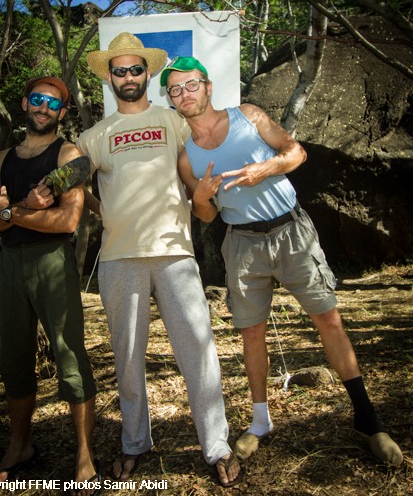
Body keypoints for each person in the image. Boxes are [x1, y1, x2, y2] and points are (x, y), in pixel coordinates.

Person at [162, 56, 403, 466]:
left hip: (291, 231)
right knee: (251, 334)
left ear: (208, 87)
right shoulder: (186, 157)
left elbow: (296, 153)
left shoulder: (249, 116)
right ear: (170, 99)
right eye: (175, 90)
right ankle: (260, 422)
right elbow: (207, 215)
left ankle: (368, 418)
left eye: (192, 85)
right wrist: (199, 199)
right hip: (242, 244)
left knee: (329, 320)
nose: (185, 94)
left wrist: (267, 168)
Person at [78, 33, 242, 487]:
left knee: (199, 351)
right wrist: (104, 211)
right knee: (127, 359)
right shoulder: (93, 136)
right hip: (118, 258)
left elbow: (204, 158)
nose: (128, 76)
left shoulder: (173, 120)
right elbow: (75, 185)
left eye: (136, 69)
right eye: (120, 70)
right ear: (110, 78)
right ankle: (135, 442)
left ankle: (216, 445)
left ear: (147, 74)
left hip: (175, 253)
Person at [0, 76, 99, 492]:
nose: (44, 107)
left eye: (53, 103)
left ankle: (84, 454)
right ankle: (19, 445)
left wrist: (11, 212)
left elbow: (66, 221)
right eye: (37, 99)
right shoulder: (1, 160)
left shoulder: (68, 155)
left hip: (52, 263)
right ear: (25, 104)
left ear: (62, 112)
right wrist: (18, 211)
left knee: (69, 355)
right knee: (13, 358)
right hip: (10, 264)